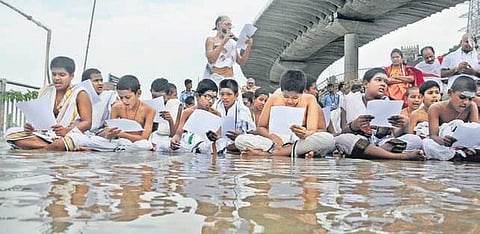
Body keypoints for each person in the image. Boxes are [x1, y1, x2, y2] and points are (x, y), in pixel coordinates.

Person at [236, 70, 335, 158]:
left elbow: (320, 130)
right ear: (281, 91)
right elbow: (261, 127)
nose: (290, 101)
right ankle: (295, 152)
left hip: (301, 141)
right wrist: (273, 137)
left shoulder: (310, 100)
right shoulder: (274, 99)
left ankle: (270, 154)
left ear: (303, 92)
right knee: (240, 140)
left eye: (295, 98)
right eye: (286, 96)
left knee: (328, 139)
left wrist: (305, 133)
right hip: (276, 142)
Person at [335, 67, 425, 160]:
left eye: (386, 82)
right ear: (366, 84)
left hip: (383, 143)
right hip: (357, 140)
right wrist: (354, 125)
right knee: (343, 139)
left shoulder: (390, 103)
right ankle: (400, 156)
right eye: (378, 80)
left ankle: (373, 152)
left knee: (415, 140)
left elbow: (395, 134)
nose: (383, 84)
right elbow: (343, 131)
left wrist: (405, 124)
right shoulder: (349, 100)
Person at [5, 56, 92, 151]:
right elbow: (37, 118)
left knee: (72, 140)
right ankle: (52, 147)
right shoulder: (46, 90)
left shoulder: (80, 93)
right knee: (10, 132)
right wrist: (30, 127)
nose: (57, 78)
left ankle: (43, 149)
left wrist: (66, 130)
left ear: (71, 76)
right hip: (46, 135)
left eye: (62, 75)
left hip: (68, 134)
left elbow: (87, 122)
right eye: (54, 74)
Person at [75, 75, 155, 151]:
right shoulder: (116, 107)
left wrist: (122, 134)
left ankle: (105, 149)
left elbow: (145, 138)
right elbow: (111, 133)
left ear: (138, 93)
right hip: (119, 142)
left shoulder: (149, 110)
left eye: (127, 97)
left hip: (137, 142)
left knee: (144, 145)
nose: (124, 101)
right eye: (121, 97)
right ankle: (118, 149)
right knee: (90, 140)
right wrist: (110, 133)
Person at [423, 76, 480, 161]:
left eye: (470, 99)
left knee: (459, 123)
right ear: (450, 93)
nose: (466, 102)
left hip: (465, 146)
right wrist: (444, 141)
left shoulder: (472, 106)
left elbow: (475, 130)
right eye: (462, 97)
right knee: (426, 143)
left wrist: (466, 145)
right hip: (444, 145)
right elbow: (433, 136)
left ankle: (461, 155)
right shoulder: (436, 108)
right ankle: (456, 155)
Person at [163, 79, 226, 154]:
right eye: (208, 96)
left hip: (207, 146)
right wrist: (174, 141)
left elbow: (218, 137)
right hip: (189, 144)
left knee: (221, 143)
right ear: (197, 96)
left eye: (214, 98)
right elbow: (178, 135)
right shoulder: (188, 112)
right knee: (163, 145)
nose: (211, 101)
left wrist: (214, 137)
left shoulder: (216, 114)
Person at [204, 15, 253, 84]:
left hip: (230, 78)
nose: (229, 27)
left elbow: (241, 62)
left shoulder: (232, 43)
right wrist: (224, 41)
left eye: (230, 25)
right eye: (226, 24)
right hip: (215, 77)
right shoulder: (211, 40)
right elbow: (211, 59)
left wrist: (248, 46)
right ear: (218, 26)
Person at [213, 79, 256, 152]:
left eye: (229, 94)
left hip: (237, 147)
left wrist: (241, 136)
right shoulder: (214, 108)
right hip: (216, 146)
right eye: (222, 94)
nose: (225, 97)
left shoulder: (243, 110)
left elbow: (251, 134)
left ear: (236, 95)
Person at [81, 68, 117, 133]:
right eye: (96, 81)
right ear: (86, 83)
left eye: (101, 80)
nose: (100, 83)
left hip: (99, 134)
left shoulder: (109, 96)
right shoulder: (77, 95)